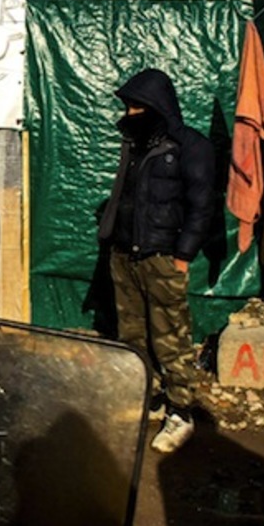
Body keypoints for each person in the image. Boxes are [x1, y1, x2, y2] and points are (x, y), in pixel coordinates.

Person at [98, 68, 216, 454]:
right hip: (124, 255)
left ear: (157, 106)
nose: (130, 112)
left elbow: (202, 206)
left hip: (162, 258)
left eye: (137, 106)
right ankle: (147, 397)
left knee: (171, 340)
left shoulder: (190, 145)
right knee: (132, 336)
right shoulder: (134, 143)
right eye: (128, 106)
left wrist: (183, 255)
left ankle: (181, 412)